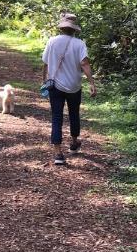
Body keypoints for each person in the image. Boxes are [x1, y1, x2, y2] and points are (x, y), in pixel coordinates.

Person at [41, 14, 96, 166]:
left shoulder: (52, 41)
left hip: (55, 86)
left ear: (62, 27)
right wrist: (92, 83)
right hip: (74, 86)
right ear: (74, 29)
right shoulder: (79, 44)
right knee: (74, 114)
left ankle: (58, 153)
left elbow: (45, 63)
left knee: (56, 117)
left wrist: (44, 80)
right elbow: (84, 64)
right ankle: (73, 143)